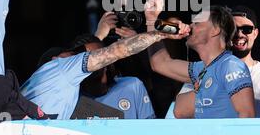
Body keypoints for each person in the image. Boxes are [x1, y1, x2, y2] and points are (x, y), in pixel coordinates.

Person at [20, 28, 183, 119]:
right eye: (70, 56)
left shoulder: (39, 83)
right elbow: (116, 51)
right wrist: (158, 33)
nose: (74, 58)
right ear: (55, 60)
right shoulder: (62, 69)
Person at [145, 0, 255, 119]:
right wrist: (151, 20)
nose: (190, 26)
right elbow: (160, 63)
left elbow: (247, 115)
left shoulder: (230, 65)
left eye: (196, 23)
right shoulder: (202, 69)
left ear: (215, 30)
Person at [78, 34, 156, 119]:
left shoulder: (132, 85)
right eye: (91, 62)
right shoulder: (71, 95)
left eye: (102, 59)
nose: (98, 64)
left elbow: (148, 128)